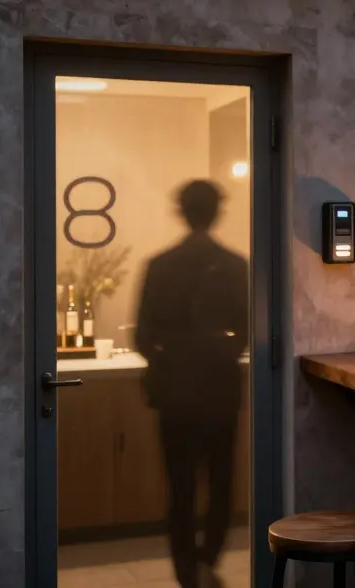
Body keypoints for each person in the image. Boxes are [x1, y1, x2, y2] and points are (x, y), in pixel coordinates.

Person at [135, 180, 248, 588]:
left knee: (180, 489)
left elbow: (142, 335)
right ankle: (207, 558)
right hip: (220, 391)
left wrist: (169, 359)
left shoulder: (160, 265)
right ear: (217, 212)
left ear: (180, 212)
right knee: (220, 484)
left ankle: (186, 573)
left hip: (175, 394)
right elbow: (246, 331)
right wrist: (219, 353)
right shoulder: (235, 266)